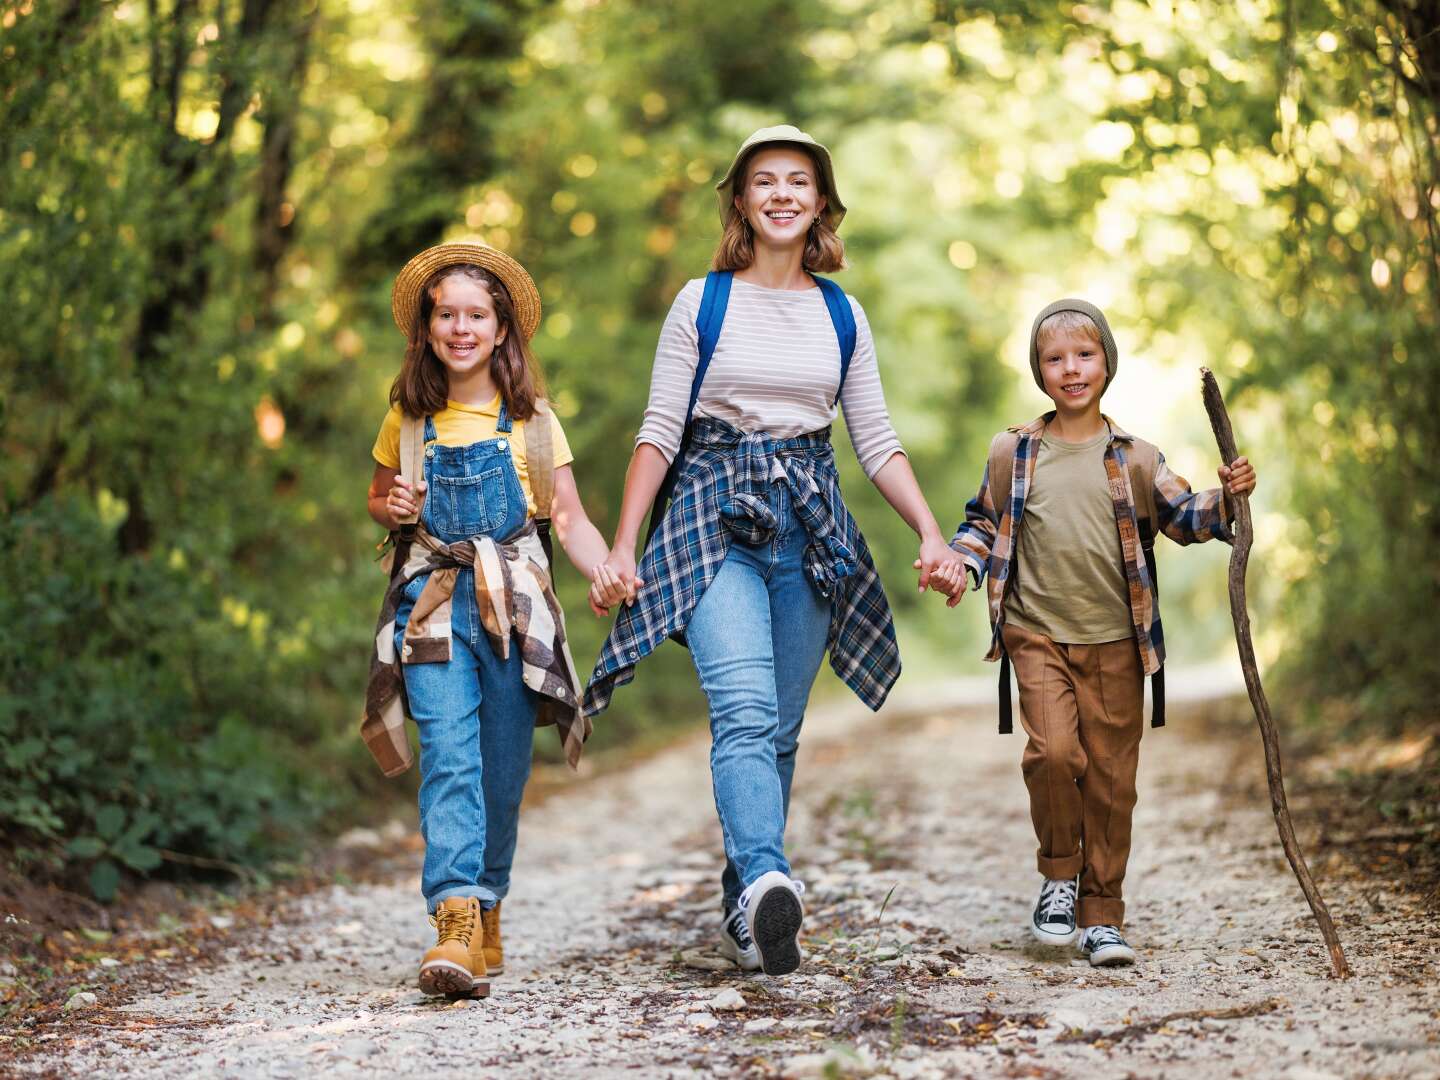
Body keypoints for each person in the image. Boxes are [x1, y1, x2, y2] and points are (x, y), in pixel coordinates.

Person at [584, 125, 964, 976]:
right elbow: (657, 432)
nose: (783, 194)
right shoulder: (701, 302)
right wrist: (619, 547)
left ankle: (746, 909)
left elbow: (876, 440)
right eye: (765, 181)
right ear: (742, 202)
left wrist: (932, 533)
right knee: (745, 711)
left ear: (821, 202)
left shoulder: (841, 313)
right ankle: (764, 875)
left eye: (799, 181)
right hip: (711, 520)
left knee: (782, 731)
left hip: (809, 525)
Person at [931, 299, 1257, 967]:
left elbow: (1185, 515)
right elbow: (981, 524)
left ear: (1106, 363)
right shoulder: (1012, 452)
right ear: (1038, 370)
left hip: (1117, 640)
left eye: (1085, 355)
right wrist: (958, 563)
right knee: (1052, 756)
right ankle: (1059, 874)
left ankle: (1101, 913)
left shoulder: (1137, 457)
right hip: (1036, 631)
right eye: (1055, 358)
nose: (1071, 369)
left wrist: (1229, 498)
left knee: (1111, 778)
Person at [362, 241, 628, 998]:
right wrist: (396, 506)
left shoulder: (534, 423)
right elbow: (379, 499)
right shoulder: (409, 419)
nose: (460, 326)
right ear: (427, 328)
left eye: (476, 314)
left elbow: (567, 517)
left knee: (502, 772)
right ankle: (451, 919)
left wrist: (605, 567)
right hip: (434, 606)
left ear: (503, 328)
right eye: (445, 313)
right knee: (448, 758)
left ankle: (488, 901)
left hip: (516, 612)